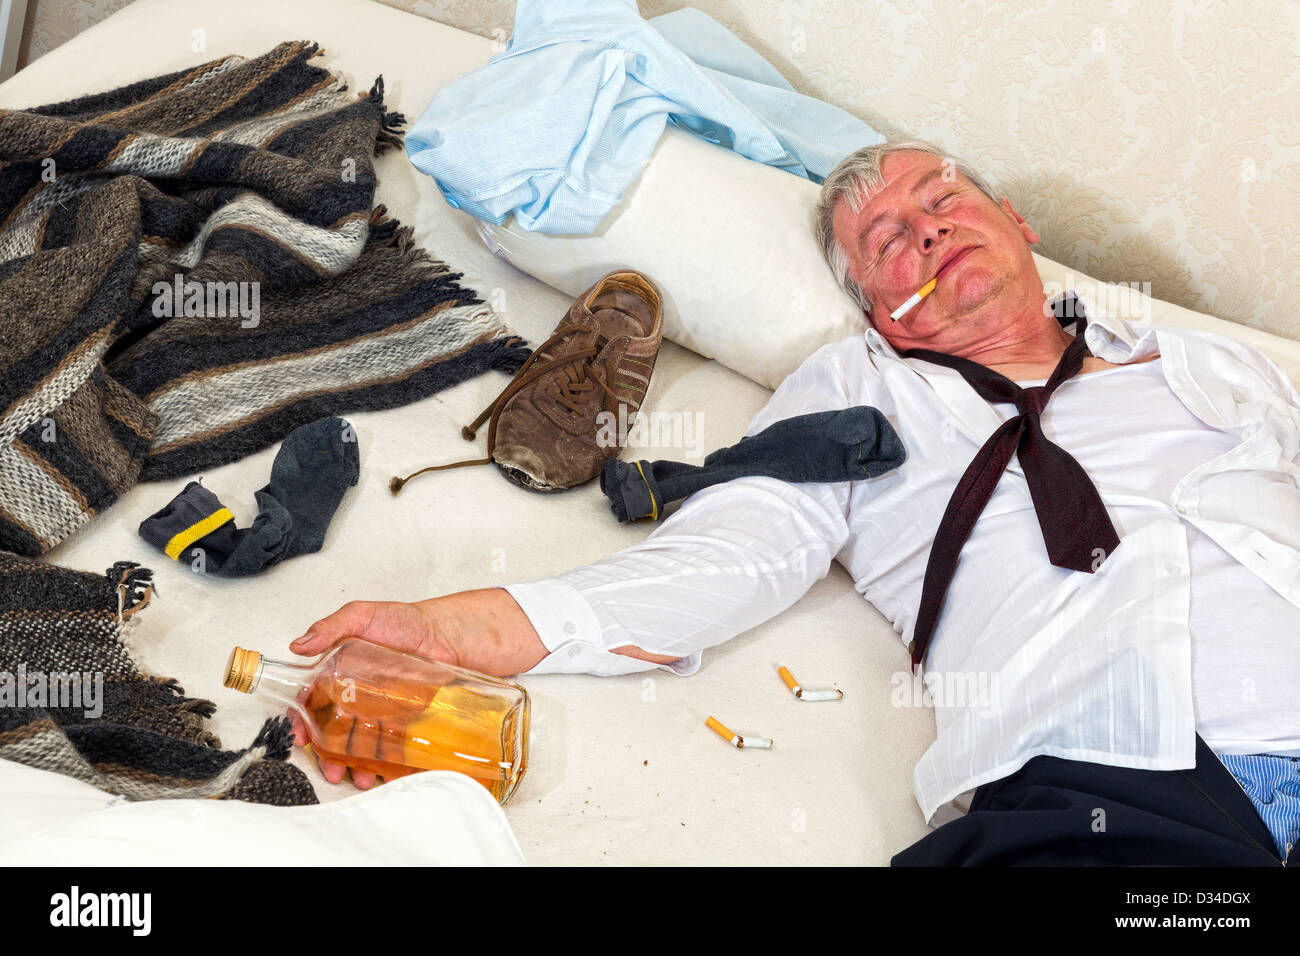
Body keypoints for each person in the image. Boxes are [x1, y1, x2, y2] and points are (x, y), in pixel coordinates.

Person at [290, 140, 1300, 865]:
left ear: (1017, 225)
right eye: (887, 240)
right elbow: (728, 556)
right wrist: (446, 629)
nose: (928, 227)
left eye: (944, 196)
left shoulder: (1217, 364)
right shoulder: (856, 391)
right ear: (879, 312)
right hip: (1118, 778)